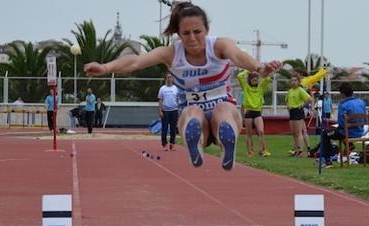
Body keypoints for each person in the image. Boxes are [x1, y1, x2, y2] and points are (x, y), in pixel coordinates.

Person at [84, 2, 281, 170]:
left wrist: (259, 66)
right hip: (194, 112)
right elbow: (136, 61)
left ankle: (226, 139)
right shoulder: (171, 53)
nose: (192, 38)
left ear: (207, 30)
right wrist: (105, 67)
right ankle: (195, 141)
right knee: (193, 113)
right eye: (186, 33)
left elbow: (238, 56)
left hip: (224, 106)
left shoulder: (219, 45)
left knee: (223, 111)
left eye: (197, 32)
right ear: (178, 34)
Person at [321, 82, 367, 167]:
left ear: (342, 93)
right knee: (336, 130)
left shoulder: (343, 105)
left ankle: (327, 160)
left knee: (325, 133)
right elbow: (365, 119)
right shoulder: (361, 102)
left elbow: (341, 123)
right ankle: (349, 145)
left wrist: (332, 123)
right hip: (360, 132)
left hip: (347, 133)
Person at [237, 69, 272, 157]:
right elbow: (239, 76)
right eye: (253, 80)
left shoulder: (260, 87)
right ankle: (250, 151)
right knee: (249, 134)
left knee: (261, 131)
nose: (255, 81)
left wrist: (261, 72)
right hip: (248, 113)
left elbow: (268, 79)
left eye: (256, 79)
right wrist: (248, 70)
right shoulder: (245, 87)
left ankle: (262, 150)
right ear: (250, 80)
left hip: (257, 113)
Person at [285, 74, 313, 157]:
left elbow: (309, 99)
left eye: (295, 80)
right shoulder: (290, 91)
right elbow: (287, 100)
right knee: (293, 132)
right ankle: (297, 149)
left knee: (299, 132)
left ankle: (301, 150)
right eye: (292, 80)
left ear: (298, 82)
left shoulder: (300, 90)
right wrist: (288, 106)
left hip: (298, 111)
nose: (293, 82)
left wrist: (302, 105)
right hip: (292, 111)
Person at [158, 72, 179, 151]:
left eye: (170, 77)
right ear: (165, 79)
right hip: (165, 111)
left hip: (174, 110)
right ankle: (164, 144)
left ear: (172, 79)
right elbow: (160, 100)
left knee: (173, 129)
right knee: (165, 128)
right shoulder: (162, 89)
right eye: (168, 77)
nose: (169, 79)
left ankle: (172, 144)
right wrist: (160, 111)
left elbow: (178, 99)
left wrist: (179, 110)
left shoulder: (175, 88)